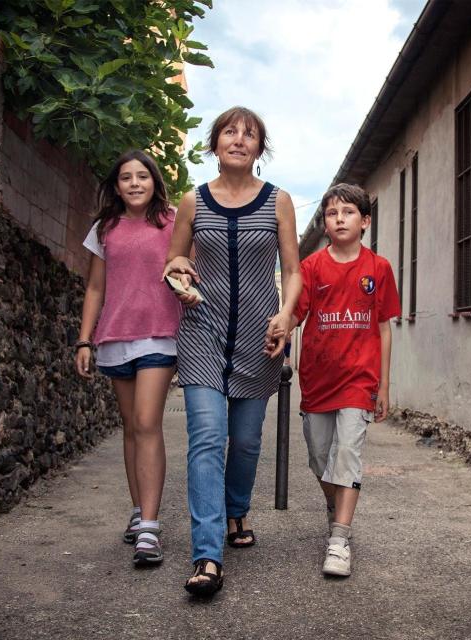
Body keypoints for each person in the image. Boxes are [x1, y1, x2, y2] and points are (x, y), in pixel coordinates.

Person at [163, 106, 302, 596]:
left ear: (259, 149)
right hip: (202, 332)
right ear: (215, 144)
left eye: (250, 134)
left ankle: (237, 509)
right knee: (205, 440)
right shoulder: (193, 201)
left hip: (259, 337)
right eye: (230, 131)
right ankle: (207, 556)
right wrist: (178, 267)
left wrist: (286, 315)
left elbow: (294, 269)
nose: (239, 139)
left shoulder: (278, 200)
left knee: (244, 443)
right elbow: (176, 256)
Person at [74, 149, 181, 567]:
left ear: (155, 181)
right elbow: (96, 288)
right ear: (116, 185)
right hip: (114, 337)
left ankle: (150, 529)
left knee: (146, 422)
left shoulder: (173, 222)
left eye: (142, 176)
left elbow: (193, 266)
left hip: (159, 335)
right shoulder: (105, 228)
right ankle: (139, 511)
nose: (135, 183)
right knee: (130, 429)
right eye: (126, 178)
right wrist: (85, 340)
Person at [290, 183, 400, 577]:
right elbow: (294, 315)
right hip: (318, 380)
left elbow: (384, 328)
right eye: (333, 212)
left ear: (365, 221)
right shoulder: (311, 268)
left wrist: (383, 385)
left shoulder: (379, 268)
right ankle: (335, 505)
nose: (339, 218)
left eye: (348, 212)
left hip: (359, 380)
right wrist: (279, 329)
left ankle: (339, 538)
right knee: (320, 457)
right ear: (325, 221)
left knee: (348, 454)